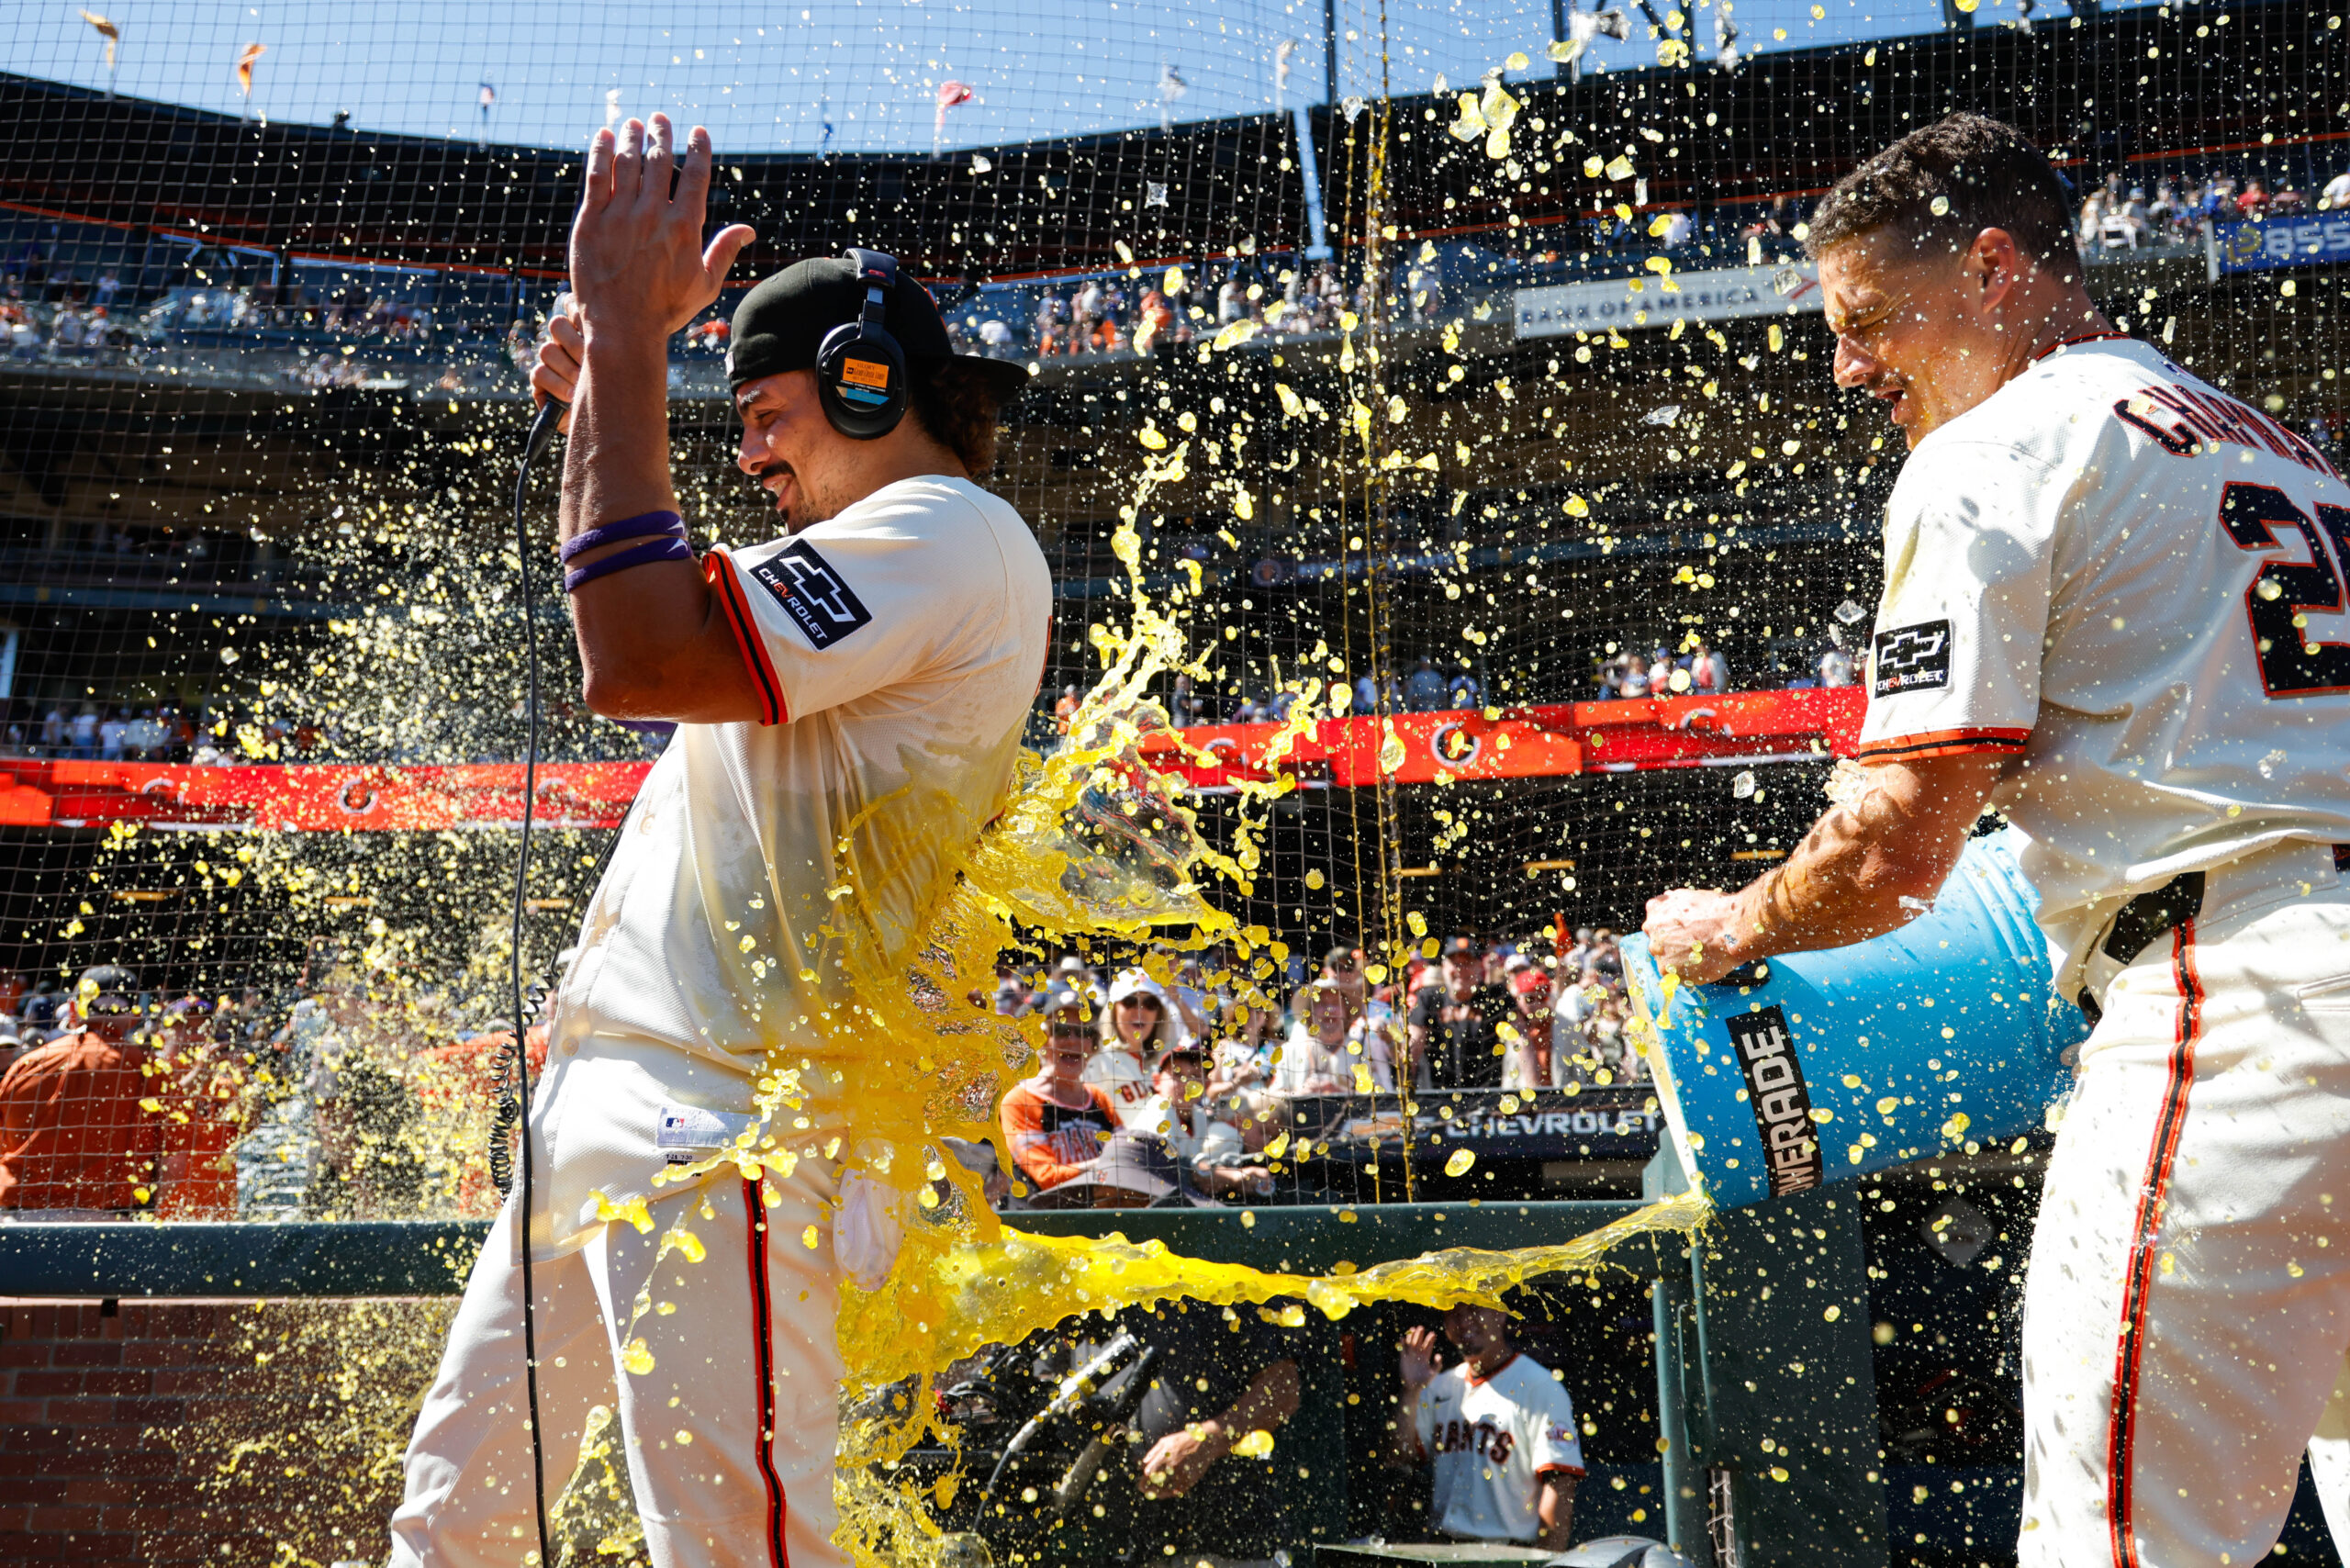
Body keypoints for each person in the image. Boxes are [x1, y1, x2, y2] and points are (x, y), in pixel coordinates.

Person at [1640, 113, 2350, 1568]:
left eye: (1863, 319)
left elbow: (1896, 853)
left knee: (2119, 1539)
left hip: (2251, 1007)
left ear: (1991, 267)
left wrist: (1739, 927)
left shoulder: (1991, 450)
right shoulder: (2288, 443)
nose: (1846, 366)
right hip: (2291, 941)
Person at [392, 114, 1044, 1568]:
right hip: (623, 1104)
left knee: (733, 1555)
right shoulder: (865, 553)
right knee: (452, 1528)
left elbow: (633, 653)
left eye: (768, 411)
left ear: (871, 386)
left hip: (727, 1116)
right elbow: (645, 606)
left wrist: (630, 349)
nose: (744, 449)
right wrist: (599, 405)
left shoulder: (953, 531)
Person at [1393, 1305, 1582, 1550]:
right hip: (1443, 1550)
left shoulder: (1540, 1386)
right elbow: (1398, 1456)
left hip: (1508, 1553)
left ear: (1501, 1312)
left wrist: (1547, 1560)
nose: (1463, 1321)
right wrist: (1411, 1391)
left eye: (1474, 1309)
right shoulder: (1439, 1386)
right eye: (1453, 1312)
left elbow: (1560, 1486)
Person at [0, 966, 160, 1217]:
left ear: (74, 1008)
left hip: (19, 1218)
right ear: (135, 1015)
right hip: (104, 1221)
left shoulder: (27, 1063)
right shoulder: (146, 1067)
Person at [1000, 992, 1125, 1198]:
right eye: (1061, 1030)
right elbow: (1046, 1176)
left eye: (1083, 1032)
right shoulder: (1019, 1101)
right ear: (1043, 1042)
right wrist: (1108, 1165)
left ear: (1093, 1046)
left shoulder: (1098, 1098)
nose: (1072, 1041)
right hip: (1047, 1221)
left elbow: (1129, 1157)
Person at [1128, 1043, 1270, 1199]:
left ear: (1206, 1084)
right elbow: (1176, 1170)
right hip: (1140, 1195)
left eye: (1195, 1076)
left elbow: (1194, 1168)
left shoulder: (1199, 1116)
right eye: (1177, 1074)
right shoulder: (1160, 1110)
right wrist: (1234, 1177)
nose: (1187, 1083)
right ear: (1156, 1082)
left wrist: (1233, 1175)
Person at [1407, 938, 1514, 1089]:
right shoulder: (1429, 998)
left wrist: (1532, 1093)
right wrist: (1405, 1090)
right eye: (1455, 963)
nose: (1460, 969)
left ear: (1479, 966)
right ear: (1444, 967)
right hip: (1437, 1098)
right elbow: (1413, 1046)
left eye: (1467, 963)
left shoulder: (1496, 996)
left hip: (1489, 1098)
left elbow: (1522, 1039)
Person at [1087, 969, 1180, 1126]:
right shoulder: (1096, 1059)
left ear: (1160, 1014)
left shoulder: (1167, 1061)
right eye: (1129, 1002)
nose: (1140, 1011)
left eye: (1150, 1004)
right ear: (1113, 1009)